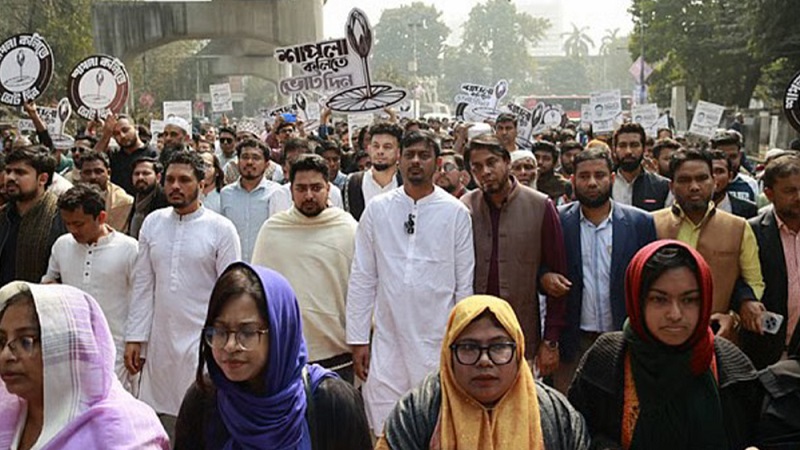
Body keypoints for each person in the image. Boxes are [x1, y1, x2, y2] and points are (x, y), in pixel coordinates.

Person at [568, 240, 762, 450]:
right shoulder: (607, 360)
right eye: (659, 300)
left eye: (689, 300)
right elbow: (576, 433)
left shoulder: (731, 367)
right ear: (638, 301)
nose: (675, 315)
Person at [347, 130, 474, 434]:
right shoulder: (378, 210)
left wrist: (461, 343)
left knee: (435, 424)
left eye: (424, 155)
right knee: (384, 425)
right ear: (399, 160)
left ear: (437, 162)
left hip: (437, 340)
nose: (416, 161)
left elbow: (464, 285)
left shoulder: (456, 213)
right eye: (410, 155)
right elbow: (363, 276)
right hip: (387, 339)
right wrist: (358, 338)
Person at [173, 263, 371, 449]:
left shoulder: (332, 405)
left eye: (248, 332)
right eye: (220, 331)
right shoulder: (205, 402)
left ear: (280, 332)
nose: (230, 346)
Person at [125, 150, 241, 439]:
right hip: (161, 339)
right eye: (170, 180)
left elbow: (232, 293)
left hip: (203, 340)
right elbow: (143, 284)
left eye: (185, 180)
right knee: (159, 419)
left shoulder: (221, 229)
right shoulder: (152, 223)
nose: (176, 186)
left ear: (201, 185)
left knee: (202, 415)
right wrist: (135, 338)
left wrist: (226, 340)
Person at [376, 295, 589, 450]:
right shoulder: (418, 412)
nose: (485, 361)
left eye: (498, 347)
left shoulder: (556, 416)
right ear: (449, 355)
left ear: (518, 352)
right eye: (469, 347)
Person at [0, 282, 169, 449]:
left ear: (67, 348)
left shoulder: (121, 435)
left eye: (25, 341)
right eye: (1, 342)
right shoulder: (8, 414)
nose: (6, 356)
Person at [461, 133, 569, 370]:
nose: (485, 172)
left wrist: (550, 340)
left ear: (507, 162)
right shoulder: (464, 207)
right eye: (476, 167)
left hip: (522, 336)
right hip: (472, 337)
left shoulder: (541, 206)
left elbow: (558, 279)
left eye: (491, 163)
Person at [553, 148, 657, 393]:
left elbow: (650, 282)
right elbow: (543, 269)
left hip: (624, 339)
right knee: (571, 410)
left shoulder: (640, 223)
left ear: (611, 179)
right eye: (584, 176)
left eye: (599, 175)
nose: (591, 182)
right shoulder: (558, 221)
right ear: (572, 180)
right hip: (574, 342)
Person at [252, 154, 358, 381]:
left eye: (316, 187)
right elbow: (257, 293)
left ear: (328, 189)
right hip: (286, 356)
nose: (309, 195)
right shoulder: (273, 231)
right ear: (290, 190)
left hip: (339, 356)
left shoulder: (348, 229)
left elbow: (363, 292)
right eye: (301, 188)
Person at [652, 149, 765, 342]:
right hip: (661, 335)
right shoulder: (651, 224)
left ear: (713, 181)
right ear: (671, 186)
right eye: (685, 180)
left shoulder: (738, 227)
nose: (694, 187)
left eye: (702, 178)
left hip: (718, 338)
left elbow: (754, 282)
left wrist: (734, 317)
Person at [42, 185, 138, 387]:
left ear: (101, 217)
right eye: (68, 224)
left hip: (116, 346)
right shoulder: (62, 245)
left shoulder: (129, 249)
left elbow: (141, 299)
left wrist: (135, 341)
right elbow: (49, 280)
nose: (73, 230)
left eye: (79, 224)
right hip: (73, 344)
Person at [743, 154, 800, 369]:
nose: (798, 196)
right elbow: (738, 279)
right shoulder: (751, 231)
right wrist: (745, 300)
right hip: (765, 353)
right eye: (789, 191)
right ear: (769, 194)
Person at [0, 147, 66, 286]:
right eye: (8, 171)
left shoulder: (62, 217)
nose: (10, 177)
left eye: (20, 172)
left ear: (42, 179)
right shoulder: (4, 216)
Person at [219, 139, 278, 262]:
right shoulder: (226, 194)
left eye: (256, 158)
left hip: (265, 266)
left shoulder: (276, 193)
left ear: (267, 164)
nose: (250, 162)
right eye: (245, 157)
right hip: (233, 266)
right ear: (238, 161)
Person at [343, 122, 404, 221]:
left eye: (387, 147)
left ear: (398, 152)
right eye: (376, 146)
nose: (380, 151)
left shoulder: (406, 184)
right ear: (369, 149)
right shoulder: (353, 183)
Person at [611, 123, 671, 212]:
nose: (628, 151)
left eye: (634, 145)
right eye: (622, 145)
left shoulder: (663, 187)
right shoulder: (604, 185)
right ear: (614, 149)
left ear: (643, 149)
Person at [95, 114, 158, 196]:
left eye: (125, 130)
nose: (122, 136)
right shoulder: (114, 155)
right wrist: (106, 135)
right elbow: (93, 160)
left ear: (135, 128)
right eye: (116, 133)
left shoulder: (152, 154)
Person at [76, 150, 134, 232]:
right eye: (87, 172)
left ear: (109, 173)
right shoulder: (72, 199)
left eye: (98, 172)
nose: (93, 177)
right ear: (80, 175)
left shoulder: (123, 201)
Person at [124, 157, 168, 239]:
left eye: (146, 173)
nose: (140, 177)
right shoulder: (133, 199)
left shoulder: (165, 200)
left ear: (158, 177)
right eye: (136, 174)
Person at [711, 130, 759, 203]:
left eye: (733, 156)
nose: (728, 161)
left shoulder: (750, 183)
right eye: (723, 156)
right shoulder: (704, 184)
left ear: (740, 155)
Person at [710, 150, 758, 219]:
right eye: (709, 172)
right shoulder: (690, 208)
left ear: (730, 176)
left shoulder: (748, 210)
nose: (714, 176)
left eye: (719, 171)